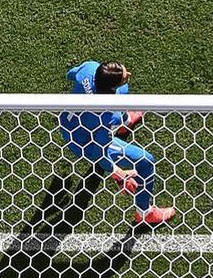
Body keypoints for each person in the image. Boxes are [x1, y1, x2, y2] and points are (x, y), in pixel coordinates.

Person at [58, 61, 176, 225]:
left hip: (68, 124)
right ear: (110, 89)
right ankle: (145, 213)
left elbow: (71, 73)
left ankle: (124, 123)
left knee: (123, 95)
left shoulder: (89, 69)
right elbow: (99, 153)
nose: (128, 75)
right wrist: (119, 173)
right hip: (85, 142)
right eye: (124, 77)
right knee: (146, 161)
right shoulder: (108, 115)